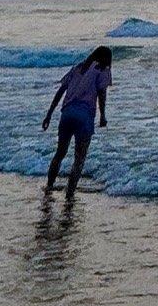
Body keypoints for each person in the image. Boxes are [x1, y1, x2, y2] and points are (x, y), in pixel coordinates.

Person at [42, 46, 114, 195]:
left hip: (67, 114)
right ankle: (70, 193)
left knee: (59, 154)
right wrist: (103, 116)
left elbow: (60, 91)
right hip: (84, 116)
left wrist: (49, 114)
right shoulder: (102, 70)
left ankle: (49, 186)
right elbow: (102, 94)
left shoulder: (78, 67)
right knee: (79, 159)